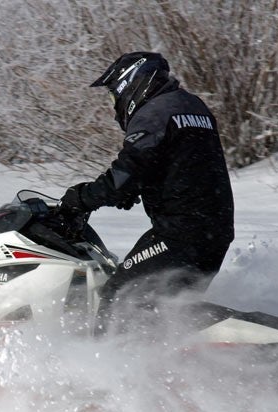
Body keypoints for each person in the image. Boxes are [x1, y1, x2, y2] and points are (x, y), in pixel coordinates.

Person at [59, 52, 235, 334]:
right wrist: (140, 186)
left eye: (113, 94)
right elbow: (182, 163)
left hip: (178, 234)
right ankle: (176, 369)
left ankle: (106, 369)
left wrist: (80, 199)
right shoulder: (193, 106)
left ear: (132, 83)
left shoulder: (154, 112)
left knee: (119, 296)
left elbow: (125, 172)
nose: (114, 103)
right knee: (164, 308)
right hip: (214, 231)